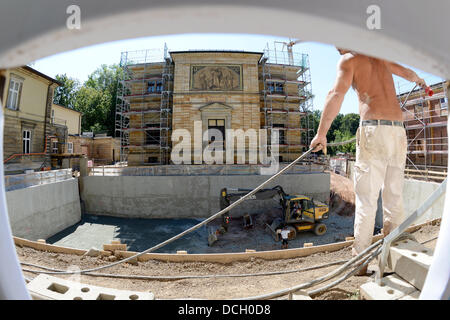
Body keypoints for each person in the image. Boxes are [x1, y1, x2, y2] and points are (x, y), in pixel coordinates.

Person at [309, 48, 427, 276]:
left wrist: (321, 133)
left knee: (366, 201)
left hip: (373, 130)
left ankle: (360, 263)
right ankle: (394, 257)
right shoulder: (380, 55)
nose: (338, 50)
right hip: (397, 132)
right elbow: (406, 71)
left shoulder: (349, 60)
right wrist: (419, 80)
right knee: (394, 198)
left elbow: (335, 94)